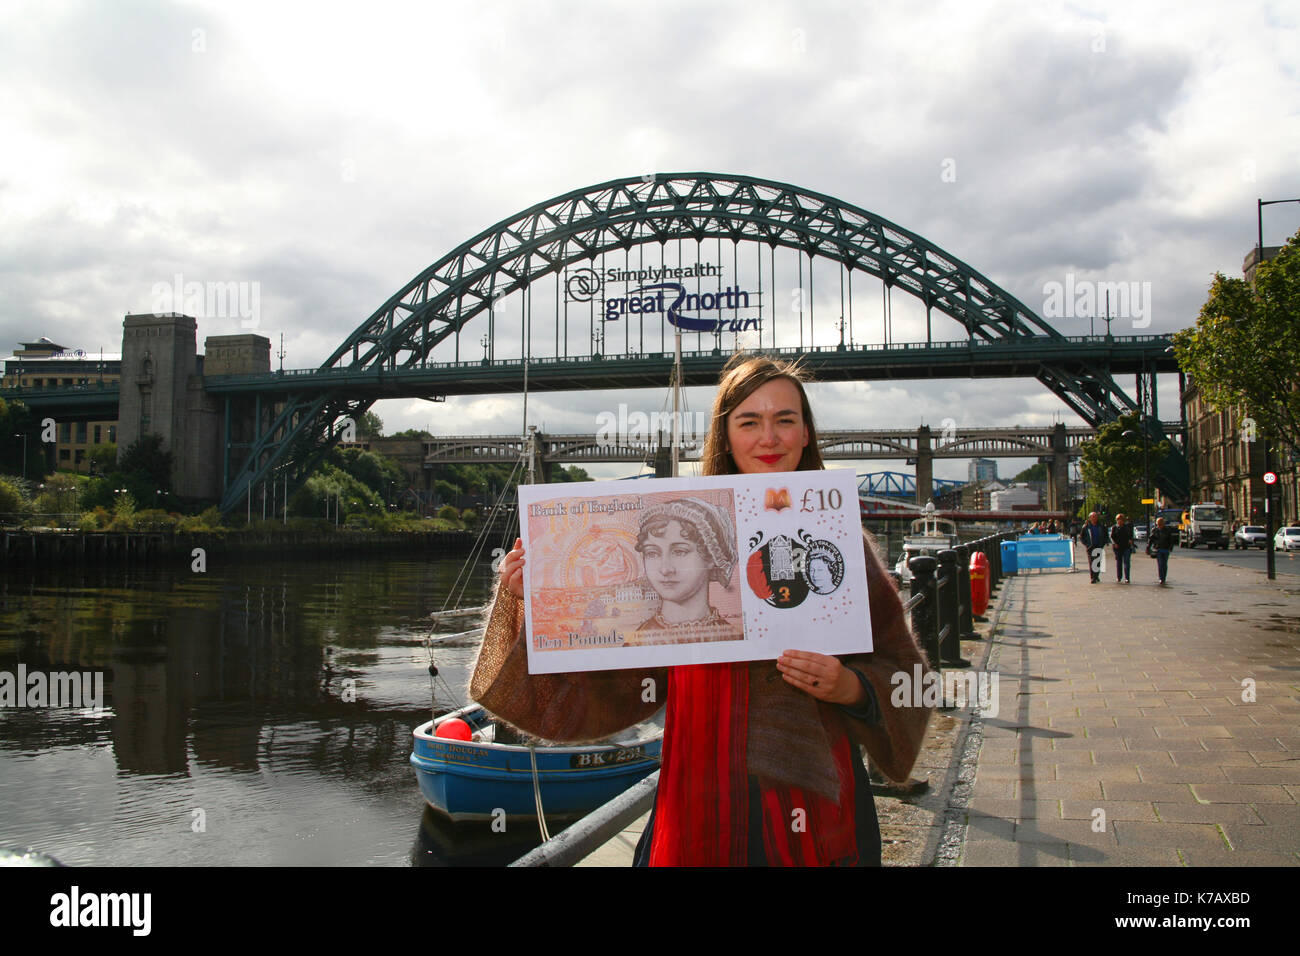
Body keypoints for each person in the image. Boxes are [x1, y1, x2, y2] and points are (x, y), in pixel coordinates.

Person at [473, 355, 931, 866]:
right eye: (749, 422)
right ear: (726, 436)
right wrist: (527, 601)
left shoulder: (842, 543)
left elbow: (905, 673)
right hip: (696, 800)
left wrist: (853, 688)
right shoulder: (668, 561)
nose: (770, 437)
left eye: (786, 420)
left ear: (807, 433)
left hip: (817, 806)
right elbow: (607, 684)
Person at [628, 497, 741, 645]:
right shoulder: (637, 643)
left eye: (680, 551)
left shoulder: (736, 641)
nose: (665, 569)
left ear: (711, 557)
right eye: (652, 553)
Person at [1078, 511, 1107, 583]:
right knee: (1092, 562)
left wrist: (1103, 543)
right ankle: (1093, 578)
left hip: (1099, 546)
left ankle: (1096, 576)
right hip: (1091, 547)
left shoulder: (1101, 526)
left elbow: (1105, 535)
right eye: (1093, 517)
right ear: (1090, 518)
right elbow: (1081, 537)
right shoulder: (1086, 527)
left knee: (1098, 563)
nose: (1094, 518)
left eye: (1096, 517)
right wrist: (1086, 544)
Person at [1147, 516, 1176, 585]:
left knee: (1164, 564)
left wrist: (1170, 547)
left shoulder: (1167, 530)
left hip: (1165, 549)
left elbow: (1171, 540)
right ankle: (1161, 578)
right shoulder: (1154, 530)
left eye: (1160, 524)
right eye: (1158, 524)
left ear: (1163, 524)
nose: (1159, 526)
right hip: (1158, 549)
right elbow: (1150, 539)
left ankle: (1163, 577)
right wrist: (1148, 547)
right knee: (1160, 564)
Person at [1109, 513, 1134, 583]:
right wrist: (1114, 543)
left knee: (1127, 563)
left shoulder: (1127, 527)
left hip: (1126, 547)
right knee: (1119, 563)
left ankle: (1127, 578)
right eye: (1118, 520)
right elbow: (1111, 537)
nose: (1119, 521)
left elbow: (1131, 535)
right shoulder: (1114, 527)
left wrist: (1131, 540)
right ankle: (1119, 577)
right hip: (1118, 547)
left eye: (1121, 520)